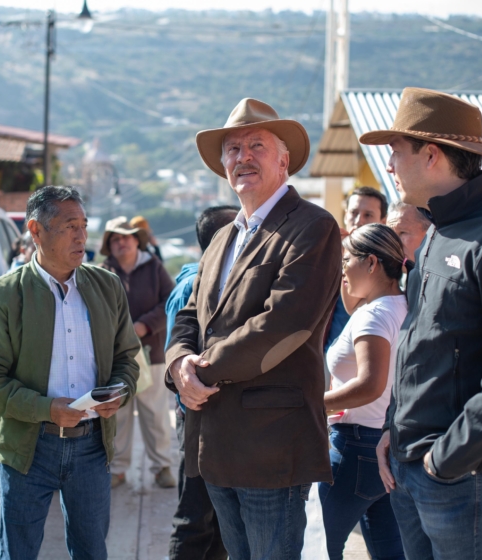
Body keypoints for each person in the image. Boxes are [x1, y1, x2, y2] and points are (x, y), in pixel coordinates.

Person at [362, 87, 482, 559]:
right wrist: (394, 429)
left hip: (463, 476)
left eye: (395, 152)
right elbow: (417, 347)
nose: (389, 166)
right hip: (414, 465)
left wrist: (446, 459)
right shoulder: (438, 233)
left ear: (431, 156)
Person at [166, 98, 342, 559]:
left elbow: (284, 323)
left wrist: (200, 372)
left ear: (284, 160)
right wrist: (179, 362)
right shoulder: (224, 236)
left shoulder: (313, 227)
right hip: (215, 439)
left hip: (271, 446)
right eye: (233, 149)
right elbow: (189, 315)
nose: (242, 157)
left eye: (256, 146)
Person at [0, 186, 140, 560]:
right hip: (28, 447)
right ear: (35, 230)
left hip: (92, 446)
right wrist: (47, 409)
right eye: (69, 226)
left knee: (92, 551)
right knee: (17, 553)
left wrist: (119, 391)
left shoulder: (106, 286)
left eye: (83, 225)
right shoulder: (2, 295)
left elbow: (128, 357)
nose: (81, 236)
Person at [319, 224, 407, 560]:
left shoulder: (374, 316)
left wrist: (313, 404)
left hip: (355, 448)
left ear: (371, 263)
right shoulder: (400, 306)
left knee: (321, 546)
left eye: (346, 260)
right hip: (385, 446)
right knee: (388, 550)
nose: (342, 268)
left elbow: (371, 384)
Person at [166, 205, 238, 560]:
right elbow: (178, 352)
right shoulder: (193, 287)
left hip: (214, 418)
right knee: (194, 521)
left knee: (217, 523)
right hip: (196, 417)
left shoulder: (214, 280)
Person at [101, 216, 176, 489]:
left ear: (137, 240)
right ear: (109, 244)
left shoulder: (154, 267)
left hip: (151, 352)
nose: (121, 242)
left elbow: (171, 301)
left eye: (126, 237)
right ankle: (117, 469)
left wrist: (145, 325)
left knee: (154, 413)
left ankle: (162, 467)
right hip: (115, 355)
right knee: (118, 412)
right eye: (115, 238)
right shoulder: (102, 271)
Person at [325, 187, 388, 352]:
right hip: (323, 352)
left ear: (383, 221)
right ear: (345, 215)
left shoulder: (386, 260)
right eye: (353, 213)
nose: (359, 220)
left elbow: (355, 307)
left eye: (368, 215)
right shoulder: (328, 248)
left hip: (363, 354)